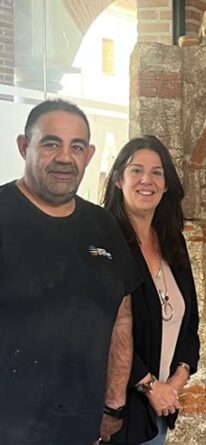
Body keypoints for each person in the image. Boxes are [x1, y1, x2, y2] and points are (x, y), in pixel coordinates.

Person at [0, 99, 139, 444]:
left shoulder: (103, 226)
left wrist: (113, 406)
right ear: (23, 146)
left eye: (76, 147)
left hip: (82, 428)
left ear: (89, 155)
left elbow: (121, 317)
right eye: (51, 144)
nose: (65, 157)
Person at [103, 135, 199, 445]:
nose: (147, 180)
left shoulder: (173, 242)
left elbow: (190, 325)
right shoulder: (104, 241)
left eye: (157, 172)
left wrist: (174, 384)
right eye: (136, 170)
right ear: (119, 179)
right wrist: (150, 386)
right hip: (115, 412)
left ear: (167, 184)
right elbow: (101, 329)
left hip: (160, 410)